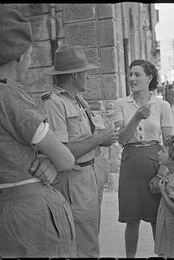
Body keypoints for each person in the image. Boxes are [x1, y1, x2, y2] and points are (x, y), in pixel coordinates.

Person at [0, 7, 77, 257]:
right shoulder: (8, 95)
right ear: (21, 56)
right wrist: (48, 160)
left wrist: (42, 159)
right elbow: (66, 159)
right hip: (31, 210)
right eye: (30, 55)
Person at [41, 45, 119, 257]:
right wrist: (99, 138)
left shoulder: (77, 99)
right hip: (73, 180)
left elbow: (86, 137)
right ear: (74, 74)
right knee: (83, 246)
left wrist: (102, 139)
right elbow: (61, 151)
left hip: (89, 176)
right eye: (85, 72)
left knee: (89, 236)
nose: (87, 76)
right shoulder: (54, 103)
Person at [113, 59, 173, 257]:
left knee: (157, 217)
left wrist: (161, 174)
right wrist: (137, 117)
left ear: (149, 77)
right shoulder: (121, 104)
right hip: (130, 165)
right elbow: (121, 139)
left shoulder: (162, 105)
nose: (131, 78)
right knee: (132, 219)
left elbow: (168, 142)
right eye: (130, 74)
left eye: (136, 74)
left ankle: (162, 255)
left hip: (155, 164)